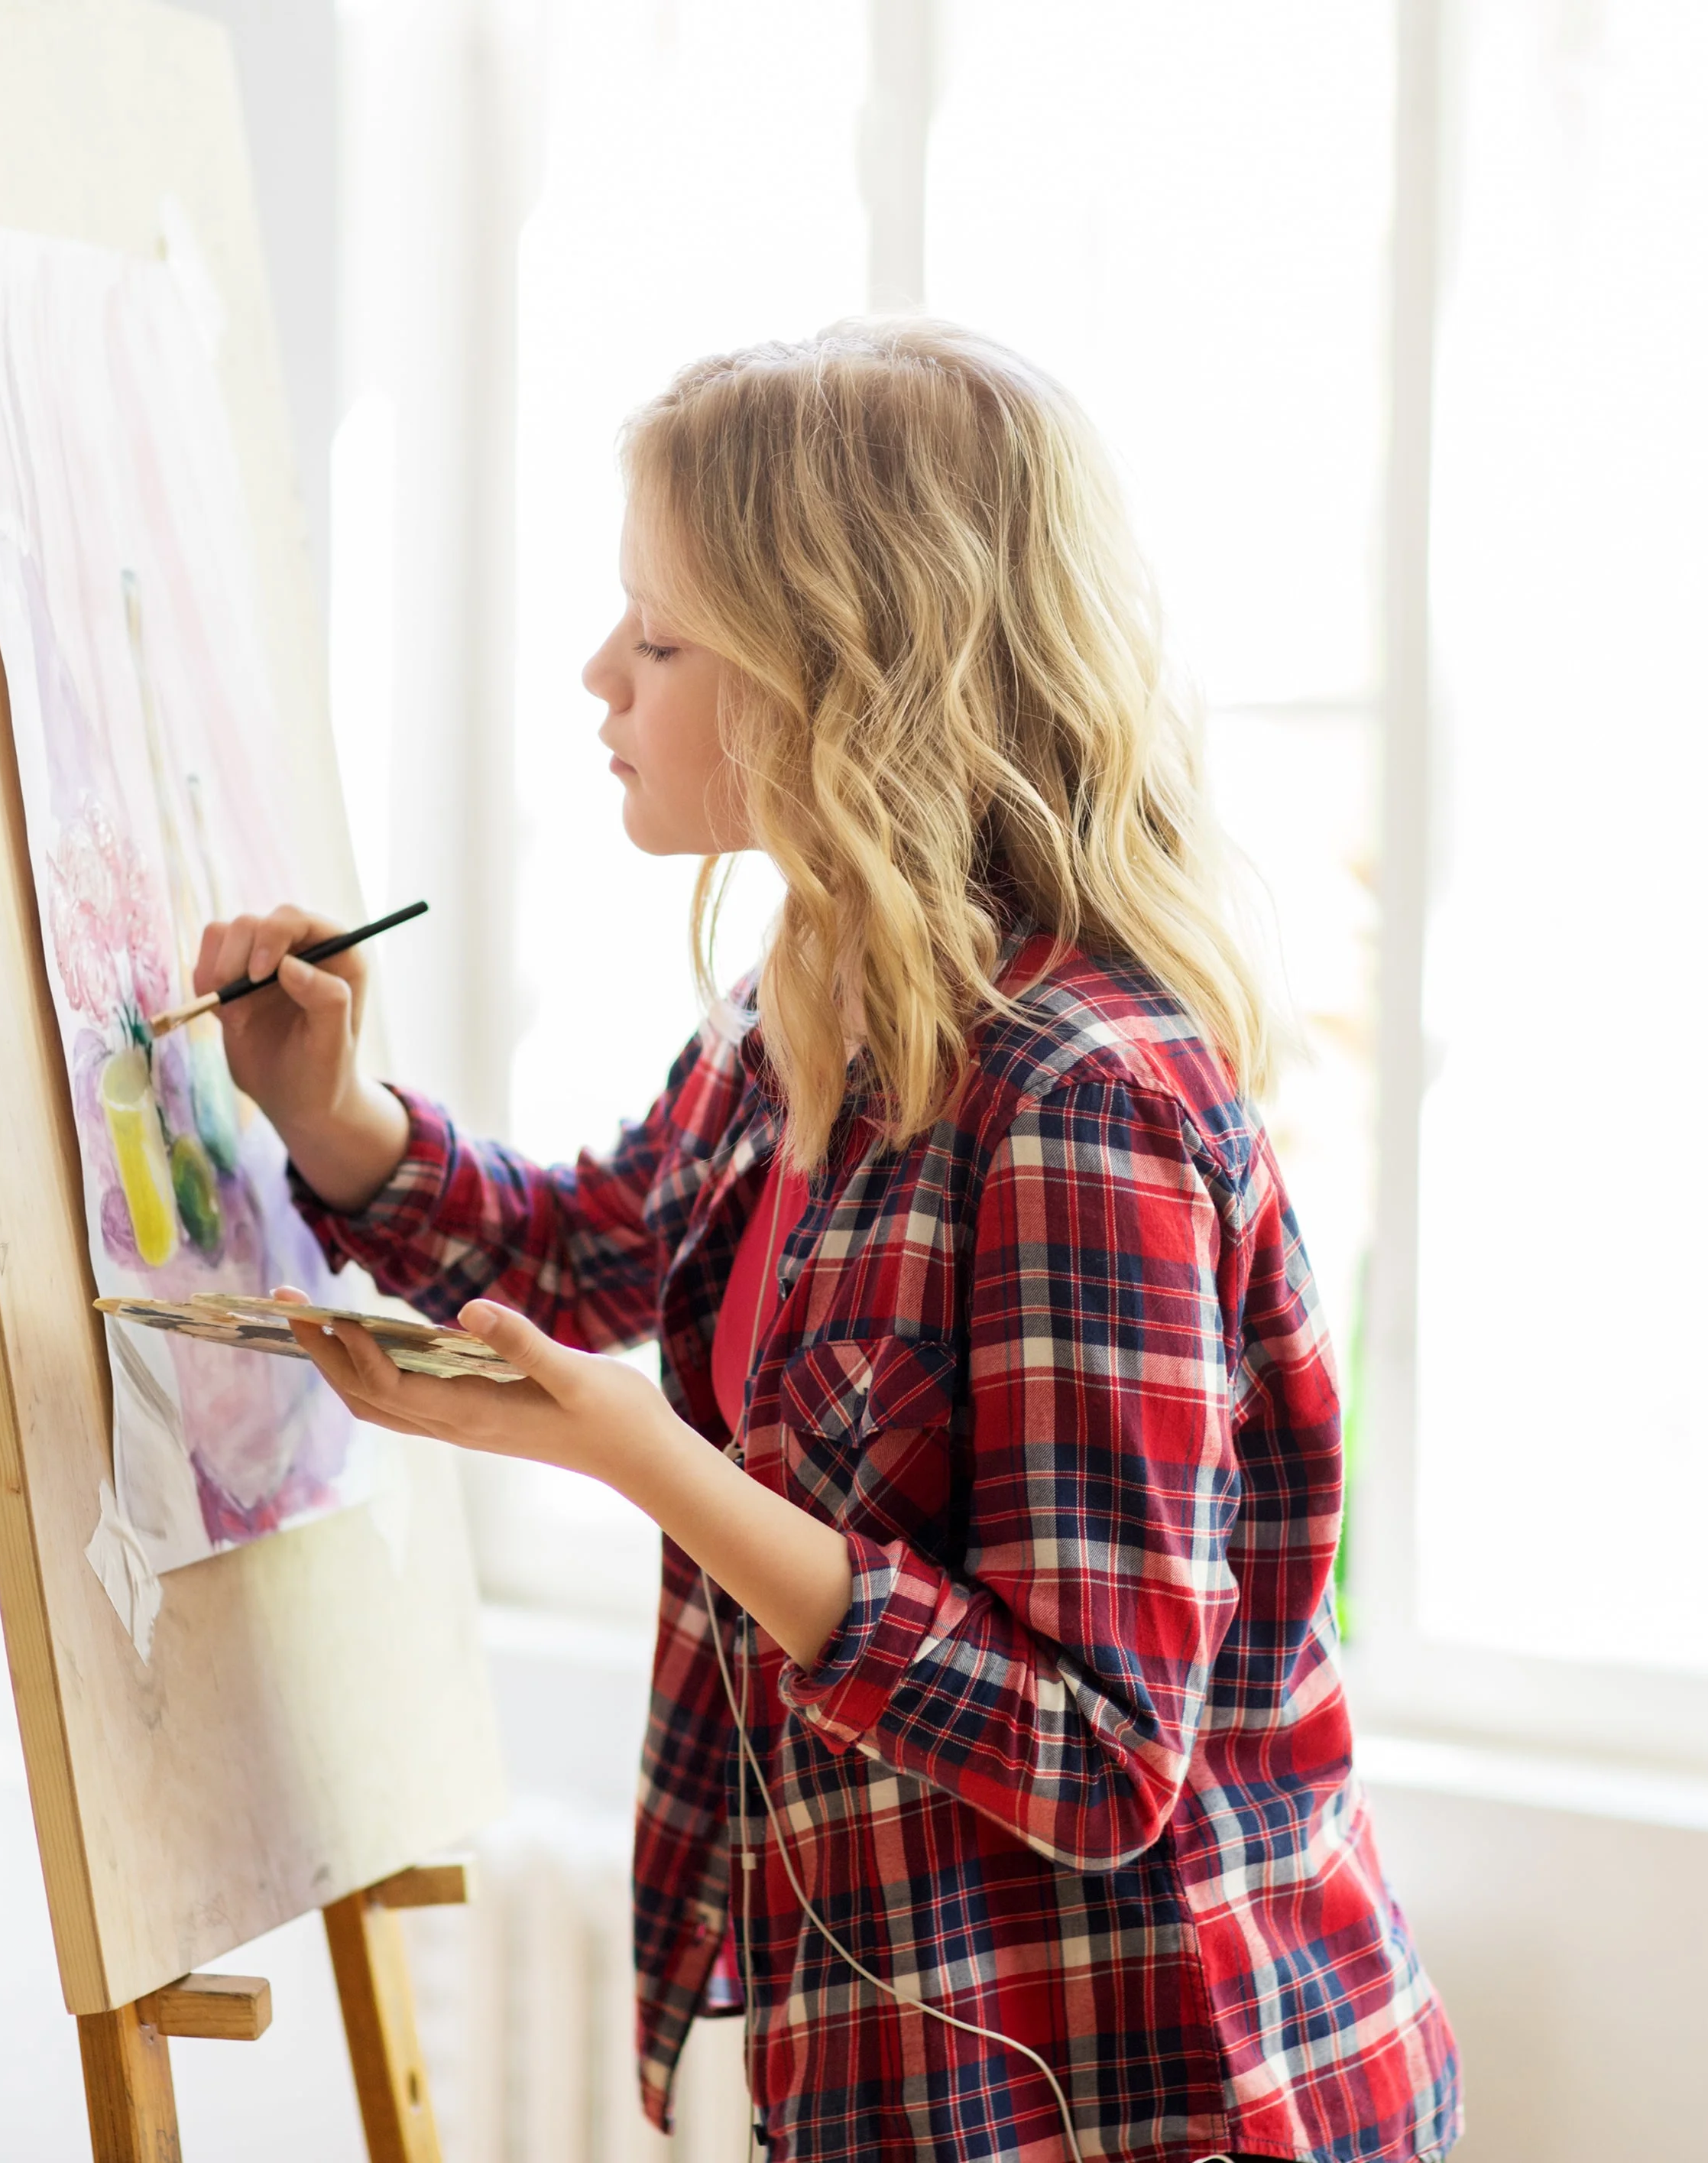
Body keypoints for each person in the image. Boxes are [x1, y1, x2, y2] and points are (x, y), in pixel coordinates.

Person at [204, 322, 1459, 2163]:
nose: (595, 677)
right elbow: (598, 1250)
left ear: (834, 682)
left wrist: (648, 1463)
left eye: (655, 637)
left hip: (1165, 2098)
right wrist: (331, 1118)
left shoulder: (1077, 1101)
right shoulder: (792, 1018)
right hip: (912, 2083)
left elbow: (1099, 1750)